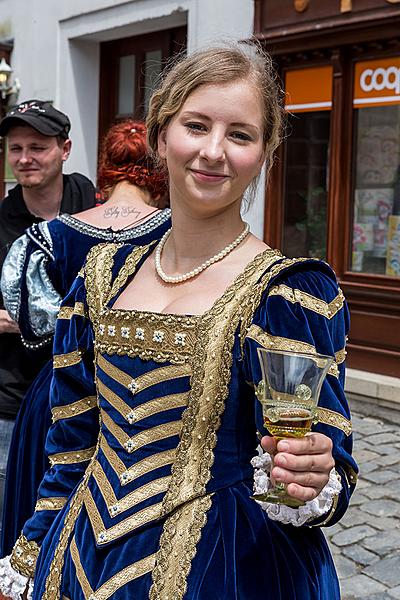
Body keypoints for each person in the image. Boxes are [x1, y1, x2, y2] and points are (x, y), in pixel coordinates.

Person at [0, 43, 357, 600]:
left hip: (228, 568)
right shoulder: (100, 276)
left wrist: (312, 476)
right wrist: (30, 552)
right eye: (196, 125)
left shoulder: (288, 293)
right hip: (76, 561)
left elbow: (322, 447)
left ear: (264, 153)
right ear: (161, 135)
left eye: (240, 135)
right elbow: (71, 443)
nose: (213, 151)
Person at [0, 119, 170, 558]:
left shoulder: (49, 237)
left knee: (42, 511)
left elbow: (35, 326)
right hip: (143, 401)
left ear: (105, 170)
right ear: (160, 170)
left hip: (56, 396)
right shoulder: (178, 234)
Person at [0, 99, 98, 537]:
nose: (24, 159)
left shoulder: (95, 205)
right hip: (12, 397)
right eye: (15, 148)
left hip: (90, 398)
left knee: (79, 521)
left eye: (37, 147)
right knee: (13, 514)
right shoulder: (2, 221)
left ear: (65, 148)